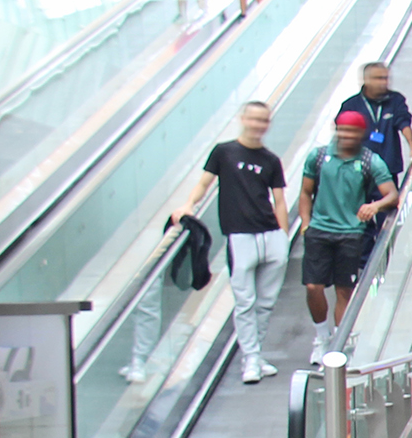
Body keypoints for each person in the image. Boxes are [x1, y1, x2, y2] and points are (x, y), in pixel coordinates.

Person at [168, 100, 290, 383]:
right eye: (255, 119)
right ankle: (250, 359)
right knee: (245, 301)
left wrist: (283, 237)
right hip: (240, 236)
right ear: (243, 119)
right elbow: (204, 183)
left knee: (266, 302)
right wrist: (188, 205)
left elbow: (280, 201)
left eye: (264, 120)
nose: (259, 125)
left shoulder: (271, 160)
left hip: (270, 235)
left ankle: (256, 356)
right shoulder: (224, 152)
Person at [296, 111, 397, 361]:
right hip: (320, 231)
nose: (346, 135)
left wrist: (375, 206)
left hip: (351, 233)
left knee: (344, 290)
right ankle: (322, 337)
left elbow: (392, 194)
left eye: (352, 131)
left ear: (361, 134)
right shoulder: (318, 156)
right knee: (313, 286)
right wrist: (306, 224)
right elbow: (305, 192)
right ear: (336, 129)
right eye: (342, 129)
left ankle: (339, 345)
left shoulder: (369, 161)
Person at [339, 62, 412, 187]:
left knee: (388, 201)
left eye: (386, 78)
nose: (384, 82)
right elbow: (341, 132)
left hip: (388, 166)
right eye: (378, 78)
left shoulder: (396, 100)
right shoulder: (351, 105)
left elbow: (403, 122)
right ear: (366, 80)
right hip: (360, 169)